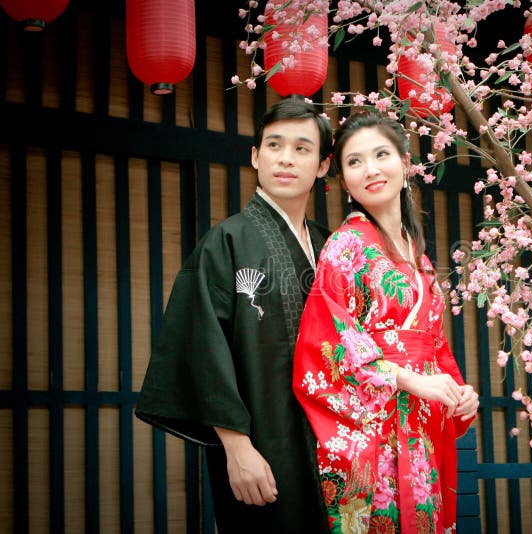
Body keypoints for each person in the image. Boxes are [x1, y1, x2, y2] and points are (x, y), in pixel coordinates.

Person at [135, 95, 332, 533]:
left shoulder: (333, 247)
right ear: (255, 155)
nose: (286, 158)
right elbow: (201, 347)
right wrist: (236, 447)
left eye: (302, 148)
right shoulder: (225, 242)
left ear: (322, 165)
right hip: (262, 449)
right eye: (275, 145)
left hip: (337, 449)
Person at [292, 110, 480, 533]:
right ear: (342, 179)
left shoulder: (420, 258)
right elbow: (328, 344)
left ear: (406, 163)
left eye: (382, 155)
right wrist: (410, 380)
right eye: (355, 162)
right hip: (374, 431)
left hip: (421, 430)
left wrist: (457, 392)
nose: (371, 170)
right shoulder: (345, 246)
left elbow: (434, 348)